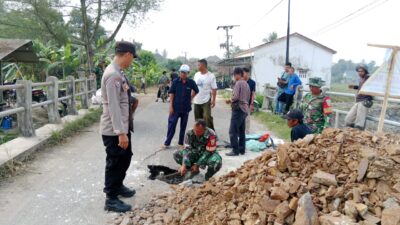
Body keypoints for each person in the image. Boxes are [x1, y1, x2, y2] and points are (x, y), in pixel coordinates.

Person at [100, 41, 137, 213]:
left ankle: (118, 185)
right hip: (114, 129)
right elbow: (113, 106)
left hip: (121, 126)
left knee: (125, 157)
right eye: (132, 58)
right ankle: (111, 198)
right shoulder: (113, 74)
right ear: (128, 54)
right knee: (115, 162)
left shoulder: (119, 73)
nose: (132, 62)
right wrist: (121, 133)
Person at [163, 64, 199, 148]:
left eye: (185, 72)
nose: (183, 74)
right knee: (171, 125)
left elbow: (196, 90)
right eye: (182, 72)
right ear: (180, 72)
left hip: (186, 108)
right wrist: (171, 106)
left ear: (188, 73)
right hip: (175, 108)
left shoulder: (191, 82)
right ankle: (167, 143)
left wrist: (191, 98)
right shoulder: (175, 81)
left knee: (183, 126)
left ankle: (180, 143)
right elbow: (172, 93)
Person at [225, 68, 251, 156]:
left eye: (234, 75)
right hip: (245, 108)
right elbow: (248, 97)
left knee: (233, 130)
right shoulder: (246, 84)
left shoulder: (238, 83)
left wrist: (229, 100)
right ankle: (242, 149)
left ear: (237, 74)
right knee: (241, 131)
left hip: (238, 108)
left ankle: (235, 150)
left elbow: (235, 96)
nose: (234, 77)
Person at [345, 65, 373, 130]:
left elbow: (372, 86)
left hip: (364, 101)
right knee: (348, 120)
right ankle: (351, 133)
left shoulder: (368, 78)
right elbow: (361, 87)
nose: (360, 73)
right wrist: (354, 87)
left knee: (359, 124)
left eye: (361, 71)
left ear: (365, 71)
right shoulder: (362, 79)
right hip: (358, 101)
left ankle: (358, 136)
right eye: (358, 71)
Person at [193, 59, 218, 131]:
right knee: (198, 119)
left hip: (206, 100)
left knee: (207, 117)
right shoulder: (196, 75)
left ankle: (211, 133)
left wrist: (213, 100)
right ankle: (199, 133)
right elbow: (194, 87)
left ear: (203, 65)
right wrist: (191, 97)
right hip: (197, 100)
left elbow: (214, 89)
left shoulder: (211, 76)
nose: (197, 66)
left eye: (199, 65)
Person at [243, 67, 256, 134]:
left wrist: (252, 104)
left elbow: (253, 94)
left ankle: (247, 134)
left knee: (247, 119)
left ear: (247, 73)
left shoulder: (252, 82)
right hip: (240, 104)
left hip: (248, 104)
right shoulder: (240, 81)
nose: (243, 74)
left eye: (244, 73)